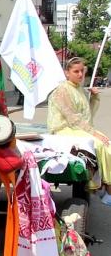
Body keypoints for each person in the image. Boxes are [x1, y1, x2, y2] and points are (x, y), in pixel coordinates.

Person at [47, 57, 111, 206]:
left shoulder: (78, 89)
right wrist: (93, 133)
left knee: (107, 143)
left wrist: (94, 97)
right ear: (67, 73)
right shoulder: (62, 90)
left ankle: (106, 188)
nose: (80, 74)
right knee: (99, 144)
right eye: (76, 71)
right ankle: (105, 190)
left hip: (75, 128)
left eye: (82, 71)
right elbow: (72, 118)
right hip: (62, 130)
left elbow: (87, 116)